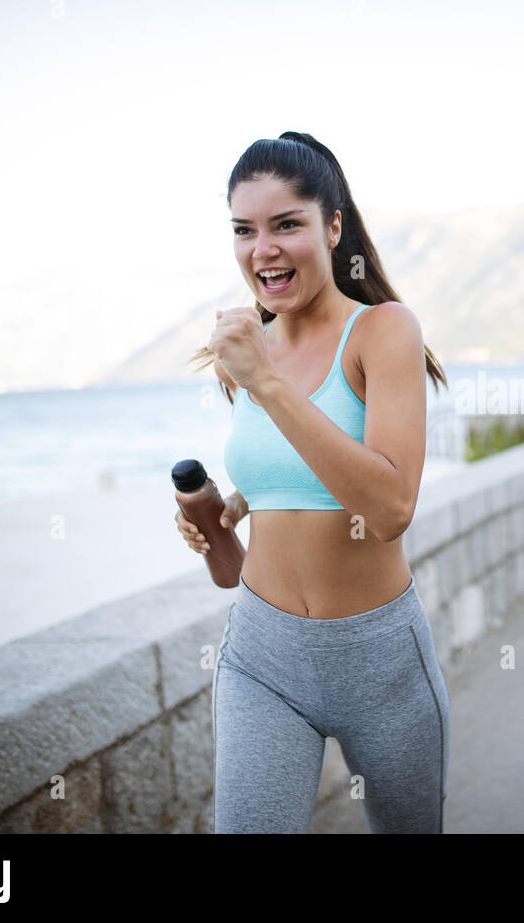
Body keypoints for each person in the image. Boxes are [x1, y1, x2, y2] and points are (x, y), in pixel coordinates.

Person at [179, 132, 451, 833]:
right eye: (244, 230)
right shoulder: (244, 356)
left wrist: (264, 382)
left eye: (286, 224)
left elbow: (390, 506)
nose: (261, 248)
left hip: (379, 658)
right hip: (261, 657)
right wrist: (223, 521)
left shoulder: (384, 331)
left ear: (333, 227)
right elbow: (259, 533)